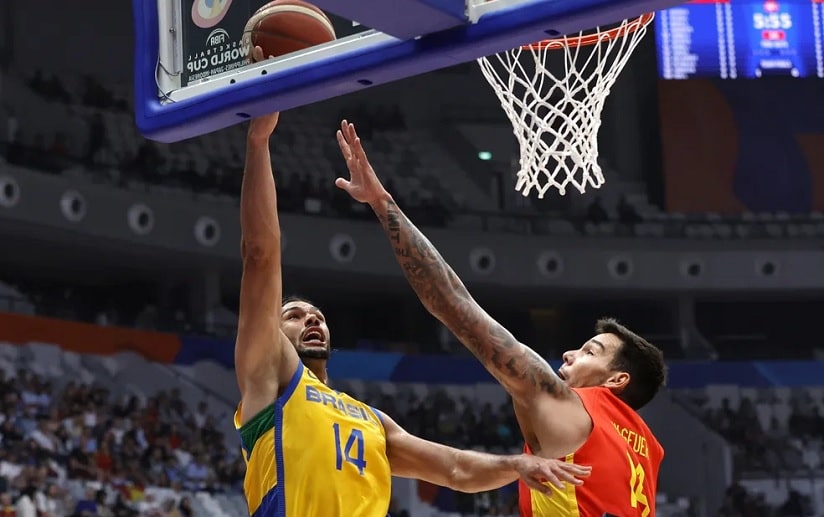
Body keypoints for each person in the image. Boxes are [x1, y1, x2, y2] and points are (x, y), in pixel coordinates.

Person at [232, 48, 591, 517]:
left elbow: (456, 470)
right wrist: (259, 144)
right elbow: (260, 255)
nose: (311, 320)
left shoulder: (372, 421)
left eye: (316, 315)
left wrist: (516, 467)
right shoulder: (269, 378)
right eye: (293, 317)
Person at [334, 119, 667, 517]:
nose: (568, 354)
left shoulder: (571, 409)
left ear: (616, 380)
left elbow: (454, 304)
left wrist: (381, 202)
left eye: (590, 351)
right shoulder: (646, 449)